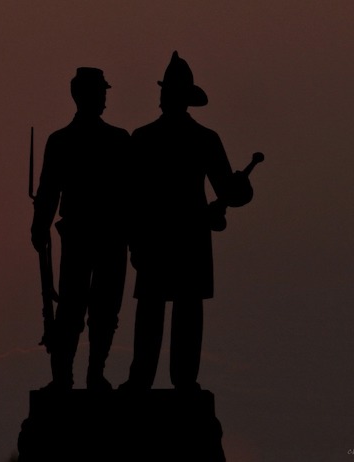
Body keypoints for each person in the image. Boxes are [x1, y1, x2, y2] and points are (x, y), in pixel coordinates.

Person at [119, 52, 252, 392]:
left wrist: (135, 241)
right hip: (180, 235)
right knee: (175, 313)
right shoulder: (200, 139)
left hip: (160, 237)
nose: (163, 98)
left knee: (166, 312)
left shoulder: (145, 138)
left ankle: (147, 381)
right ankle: (174, 381)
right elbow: (229, 193)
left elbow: (130, 199)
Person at [31, 67, 130, 391]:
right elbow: (48, 191)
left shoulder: (116, 139)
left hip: (110, 234)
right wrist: (39, 225)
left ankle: (92, 375)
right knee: (72, 308)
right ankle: (65, 378)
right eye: (99, 92)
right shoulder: (64, 141)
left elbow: (131, 192)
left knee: (103, 310)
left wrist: (40, 225)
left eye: (104, 92)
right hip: (81, 234)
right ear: (82, 95)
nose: (103, 98)